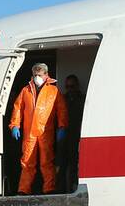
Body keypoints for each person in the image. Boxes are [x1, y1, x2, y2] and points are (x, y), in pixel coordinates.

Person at [10, 63, 68, 195]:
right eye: (35, 75)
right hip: (29, 132)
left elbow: (61, 110)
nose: (37, 77)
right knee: (27, 161)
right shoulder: (26, 90)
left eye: (40, 75)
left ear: (46, 75)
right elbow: (17, 108)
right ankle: (23, 189)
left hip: (45, 132)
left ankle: (49, 188)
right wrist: (15, 125)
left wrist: (62, 126)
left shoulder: (53, 91)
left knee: (46, 161)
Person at [62, 74, 85, 182]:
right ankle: (62, 188)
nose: (70, 89)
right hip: (64, 135)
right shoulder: (62, 100)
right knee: (62, 163)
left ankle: (74, 185)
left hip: (77, 134)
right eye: (68, 87)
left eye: (72, 87)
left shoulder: (83, 100)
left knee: (75, 162)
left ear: (77, 86)